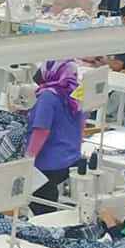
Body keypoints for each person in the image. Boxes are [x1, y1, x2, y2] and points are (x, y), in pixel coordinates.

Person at [27, 59, 84, 212]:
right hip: (70, 157)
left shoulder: (48, 96)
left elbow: (42, 130)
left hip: (48, 162)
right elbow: (81, 124)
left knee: (41, 206)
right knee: (51, 202)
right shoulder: (74, 92)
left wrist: (29, 157)